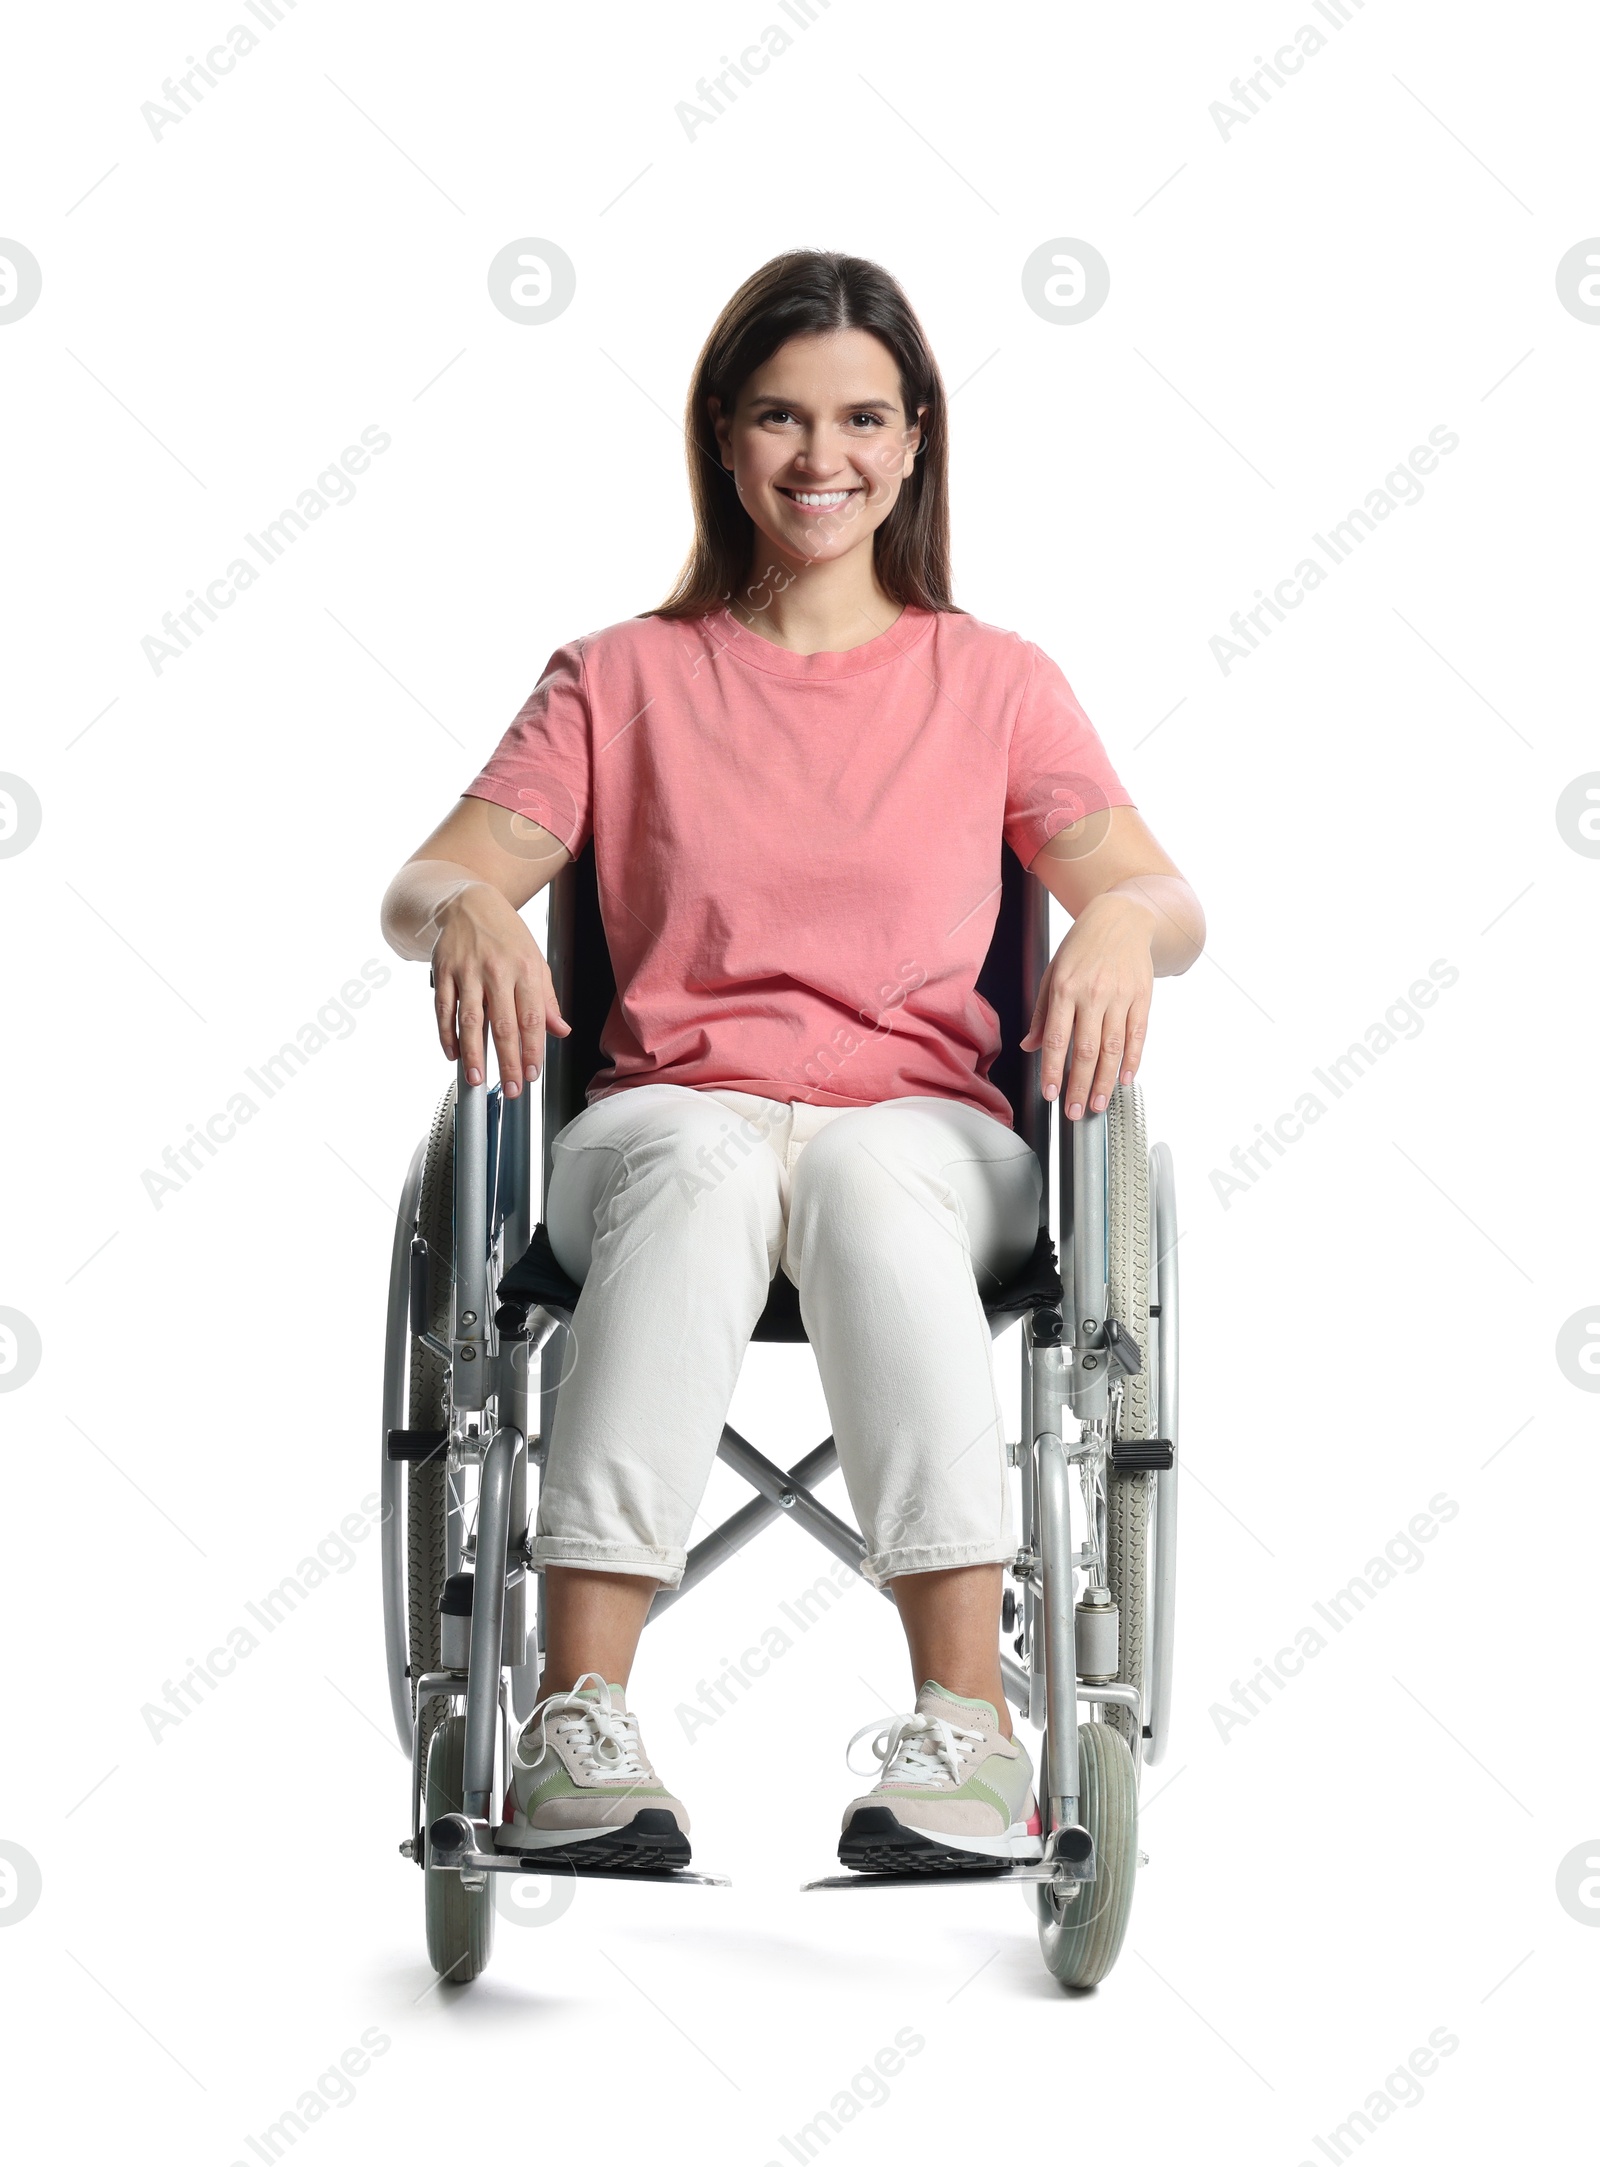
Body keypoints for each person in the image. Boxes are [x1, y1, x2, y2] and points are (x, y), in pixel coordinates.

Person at [380, 248, 1205, 1877]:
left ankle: (966, 1724)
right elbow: (426, 881)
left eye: (859, 420)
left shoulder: (994, 683)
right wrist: (470, 907)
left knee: (871, 1179)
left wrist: (1123, 923)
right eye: (779, 416)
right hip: (666, 1121)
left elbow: (1158, 893)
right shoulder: (619, 676)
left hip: (922, 1134)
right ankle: (577, 1720)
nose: (820, 458)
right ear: (723, 436)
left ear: (912, 444)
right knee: (697, 1166)